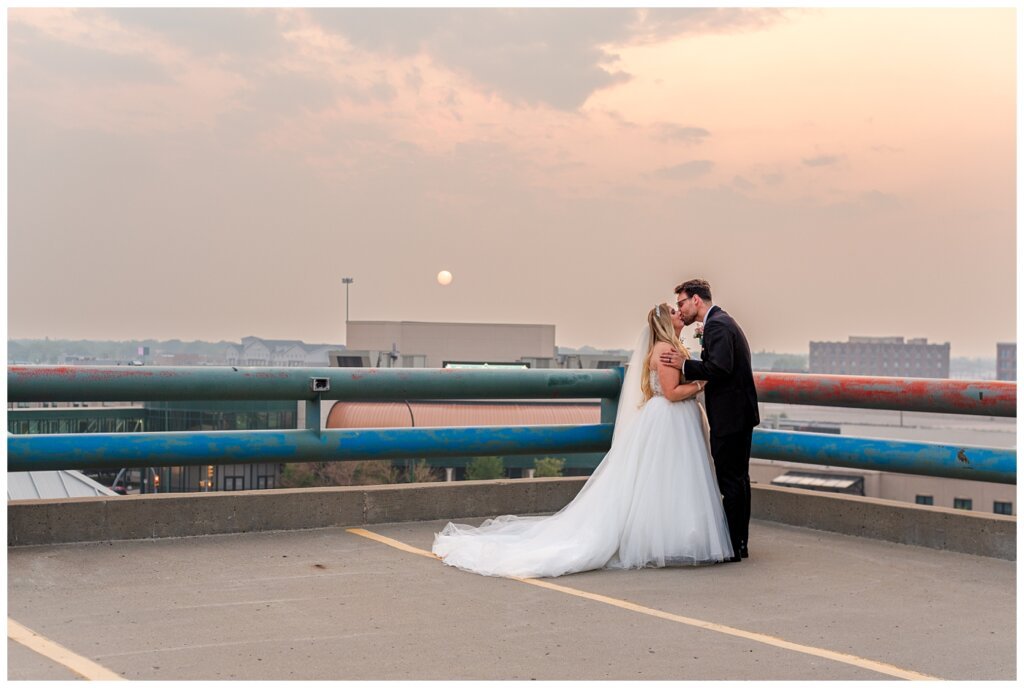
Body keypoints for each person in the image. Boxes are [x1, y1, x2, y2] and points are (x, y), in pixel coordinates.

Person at [431, 304, 734, 578]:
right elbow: (670, 392)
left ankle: (675, 535)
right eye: (672, 310)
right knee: (663, 480)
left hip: (672, 420)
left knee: (670, 481)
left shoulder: (673, 346)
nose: (678, 311)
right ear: (663, 323)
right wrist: (701, 383)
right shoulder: (665, 349)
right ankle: (663, 539)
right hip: (668, 418)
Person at [661, 279, 759, 561]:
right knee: (738, 479)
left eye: (681, 303)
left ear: (696, 300)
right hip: (738, 414)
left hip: (730, 417)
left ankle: (734, 545)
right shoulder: (721, 320)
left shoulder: (716, 325)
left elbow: (719, 367)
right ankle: (739, 542)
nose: (681, 309)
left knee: (731, 481)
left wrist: (683, 365)